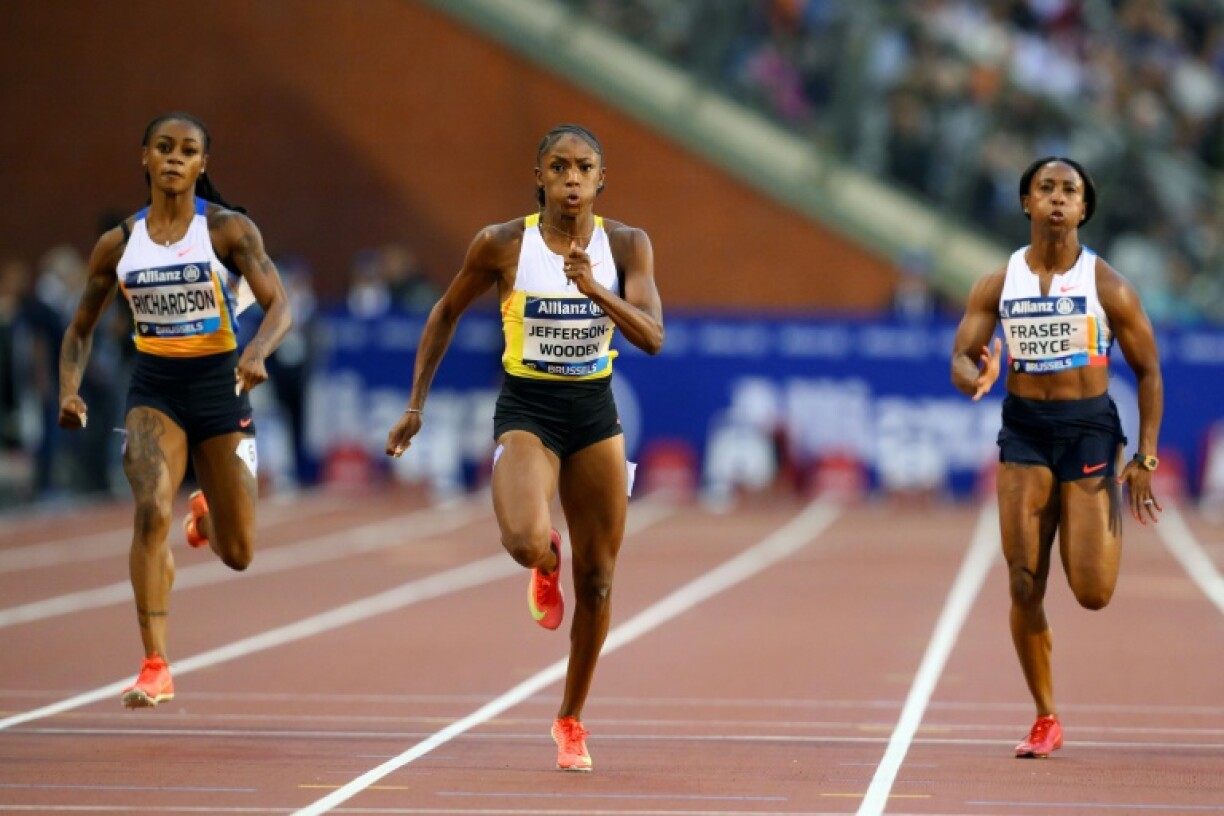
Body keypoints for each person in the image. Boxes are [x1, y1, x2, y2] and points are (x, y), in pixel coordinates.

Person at [385, 124, 664, 772]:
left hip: (594, 415)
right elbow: (445, 312)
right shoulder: (502, 243)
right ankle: (545, 556)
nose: (572, 179)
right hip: (528, 409)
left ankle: (570, 719)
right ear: (539, 177)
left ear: (601, 180)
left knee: (598, 581)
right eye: (559, 167)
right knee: (521, 540)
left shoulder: (627, 245)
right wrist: (416, 405)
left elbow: (653, 337)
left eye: (584, 167)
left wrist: (595, 289)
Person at [58, 112, 292, 708]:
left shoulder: (228, 231)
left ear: (201, 164)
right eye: (164, 147)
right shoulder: (119, 244)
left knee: (238, 553)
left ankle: (206, 517)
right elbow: (80, 328)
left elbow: (280, 305)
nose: (174, 158)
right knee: (148, 511)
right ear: (145, 156)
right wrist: (69, 390)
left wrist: (257, 352)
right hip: (154, 392)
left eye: (187, 151)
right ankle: (154, 663)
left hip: (221, 389)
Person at [951, 156, 1164, 758]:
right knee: (1023, 580)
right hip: (1024, 430)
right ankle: (1045, 716)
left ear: (1084, 208)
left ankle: (1083, 522)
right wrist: (975, 375)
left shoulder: (1109, 286)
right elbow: (961, 356)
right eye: (1045, 188)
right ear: (1026, 202)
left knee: (1093, 591)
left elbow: (1149, 371)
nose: (1057, 198)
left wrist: (1145, 457)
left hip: (1088, 430)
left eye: (1069, 190)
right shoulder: (998, 283)